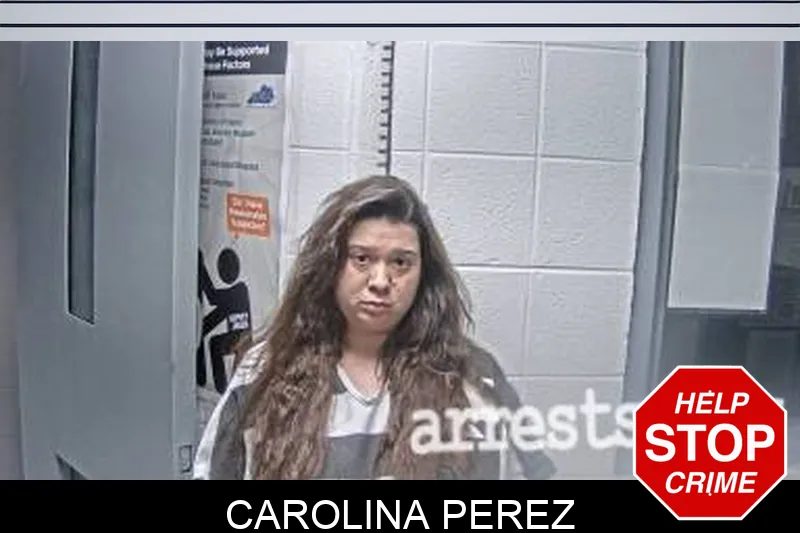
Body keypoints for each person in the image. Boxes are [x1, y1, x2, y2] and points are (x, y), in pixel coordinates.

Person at [193, 175, 556, 480]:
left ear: (424, 275)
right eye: (362, 259)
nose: (380, 281)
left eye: (400, 262)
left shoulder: (472, 378)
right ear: (331, 265)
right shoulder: (265, 372)